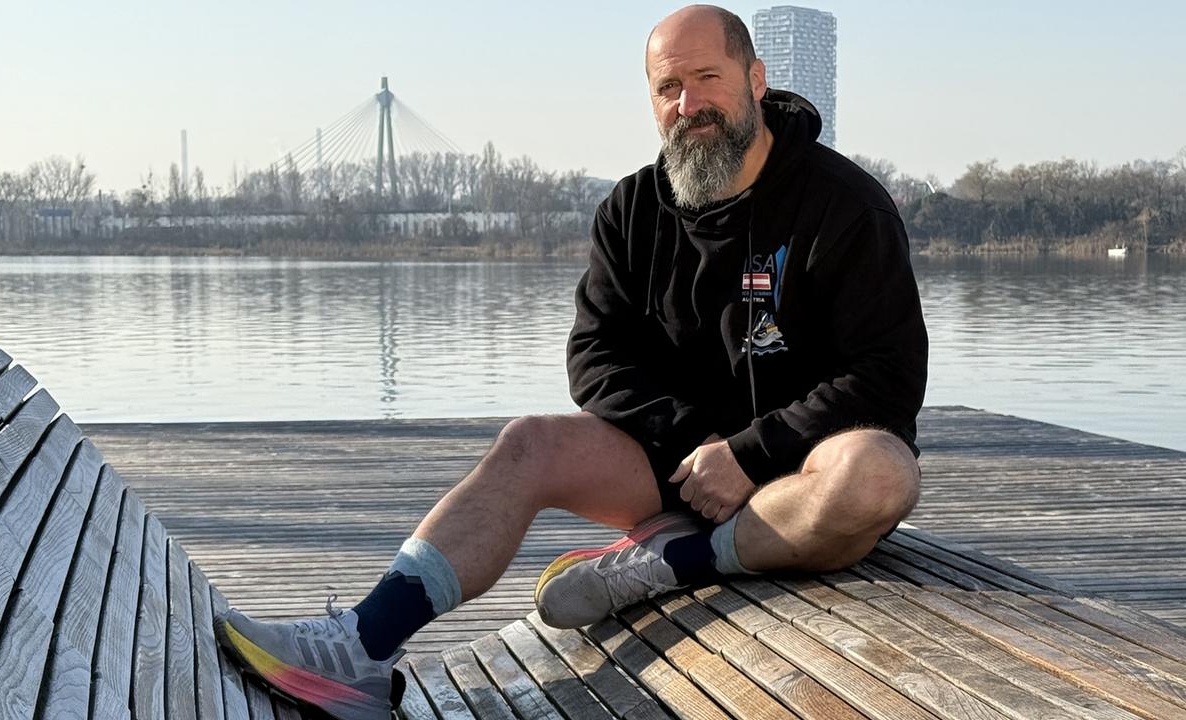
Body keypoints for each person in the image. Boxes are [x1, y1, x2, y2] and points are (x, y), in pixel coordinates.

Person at [214, 5, 927, 719]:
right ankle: (359, 646)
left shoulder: (845, 207)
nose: (689, 103)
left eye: (707, 77)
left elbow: (889, 375)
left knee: (881, 474)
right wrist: (694, 450)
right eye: (668, 86)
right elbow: (594, 356)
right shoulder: (632, 209)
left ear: (755, 78)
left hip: (799, 474)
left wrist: (747, 454)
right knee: (531, 443)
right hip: (678, 467)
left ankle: (675, 561)